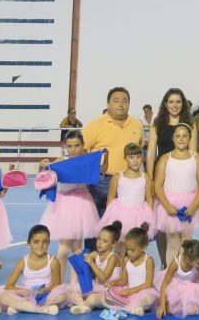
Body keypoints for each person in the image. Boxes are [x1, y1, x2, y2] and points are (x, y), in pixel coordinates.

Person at [38, 131, 102, 278]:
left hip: (82, 204)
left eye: (77, 145)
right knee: (63, 249)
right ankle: (57, 282)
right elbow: (45, 179)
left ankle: (75, 284)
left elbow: (101, 171)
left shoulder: (87, 161)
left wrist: (106, 157)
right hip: (63, 205)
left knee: (77, 248)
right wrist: (42, 167)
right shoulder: (60, 160)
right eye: (70, 146)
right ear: (64, 146)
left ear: (83, 145)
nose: (73, 149)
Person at [83, 87, 144, 219]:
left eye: (124, 101)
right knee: (100, 223)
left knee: (127, 221)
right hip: (102, 182)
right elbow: (81, 150)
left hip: (130, 181)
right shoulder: (95, 125)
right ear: (108, 104)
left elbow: (139, 149)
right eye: (116, 100)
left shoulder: (137, 125)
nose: (121, 104)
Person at [154, 123, 199, 266]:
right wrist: (167, 206)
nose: (181, 139)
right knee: (172, 242)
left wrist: (195, 205)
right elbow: (158, 185)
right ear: (172, 138)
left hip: (190, 204)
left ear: (190, 138)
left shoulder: (196, 158)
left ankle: (185, 271)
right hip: (170, 204)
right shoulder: (165, 158)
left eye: (185, 136)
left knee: (186, 241)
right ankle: (170, 273)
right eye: (178, 136)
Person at [96, 143, 155, 257]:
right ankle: (119, 271)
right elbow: (110, 198)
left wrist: (150, 219)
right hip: (120, 216)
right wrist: (109, 217)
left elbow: (149, 200)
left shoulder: (145, 177)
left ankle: (132, 272)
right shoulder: (118, 176)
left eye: (138, 157)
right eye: (131, 157)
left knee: (135, 247)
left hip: (140, 215)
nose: (135, 161)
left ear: (142, 158)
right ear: (125, 158)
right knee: (119, 247)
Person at [0, 225, 70, 315]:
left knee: (62, 296)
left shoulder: (53, 261)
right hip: (26, 295)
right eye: (36, 242)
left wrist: (45, 290)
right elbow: (9, 286)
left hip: (46, 295)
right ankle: (43, 309)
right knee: (2, 297)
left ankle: (20, 307)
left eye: (45, 242)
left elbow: (57, 284)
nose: (41, 245)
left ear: (49, 243)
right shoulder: (22, 262)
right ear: (29, 243)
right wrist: (23, 291)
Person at [68, 222, 122, 314]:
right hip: (98, 288)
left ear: (113, 244)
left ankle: (83, 305)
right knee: (73, 294)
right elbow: (82, 259)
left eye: (105, 241)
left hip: (111, 291)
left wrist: (92, 263)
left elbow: (104, 277)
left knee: (92, 299)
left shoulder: (113, 257)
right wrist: (79, 253)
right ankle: (83, 306)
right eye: (99, 239)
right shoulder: (95, 254)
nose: (100, 243)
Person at [104, 224, 158, 316]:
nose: (129, 252)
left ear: (143, 246)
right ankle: (130, 306)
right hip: (130, 292)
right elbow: (124, 279)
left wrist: (131, 291)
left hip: (145, 291)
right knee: (106, 296)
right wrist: (114, 282)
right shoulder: (125, 259)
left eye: (132, 250)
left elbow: (148, 284)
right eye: (127, 249)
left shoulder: (148, 260)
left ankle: (139, 307)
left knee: (148, 299)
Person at [157, 239, 199, 319]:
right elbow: (165, 284)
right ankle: (170, 305)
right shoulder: (175, 263)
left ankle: (184, 306)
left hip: (192, 286)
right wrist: (162, 305)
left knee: (193, 311)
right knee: (171, 310)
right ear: (187, 259)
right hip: (176, 287)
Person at [147, 88, 196, 178]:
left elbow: (193, 152)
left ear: (183, 104)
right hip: (161, 172)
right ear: (165, 104)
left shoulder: (190, 124)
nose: (175, 105)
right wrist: (150, 178)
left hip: (184, 172)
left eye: (178, 102)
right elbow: (150, 153)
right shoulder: (156, 124)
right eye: (171, 102)